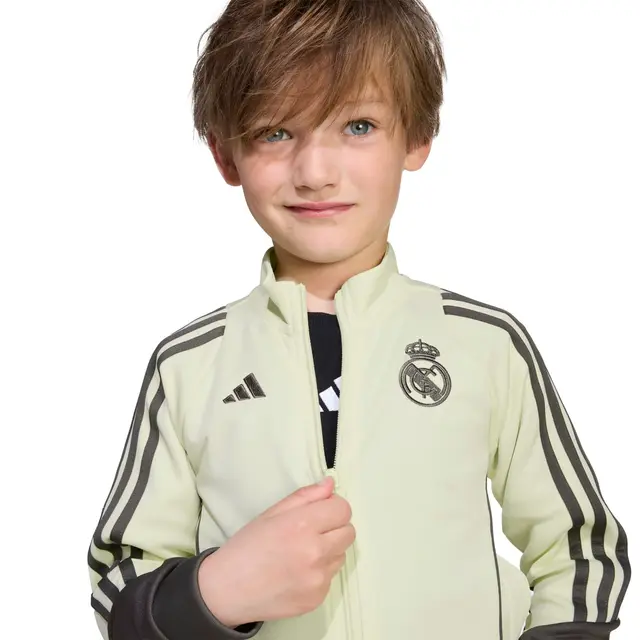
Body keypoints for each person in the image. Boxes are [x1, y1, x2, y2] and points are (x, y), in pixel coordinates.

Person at [87, 1, 631, 639]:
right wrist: (217, 589)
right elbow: (120, 582)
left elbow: (578, 546)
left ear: (417, 136)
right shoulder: (189, 366)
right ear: (226, 155)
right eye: (275, 132)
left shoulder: (486, 344)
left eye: (358, 126)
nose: (315, 173)